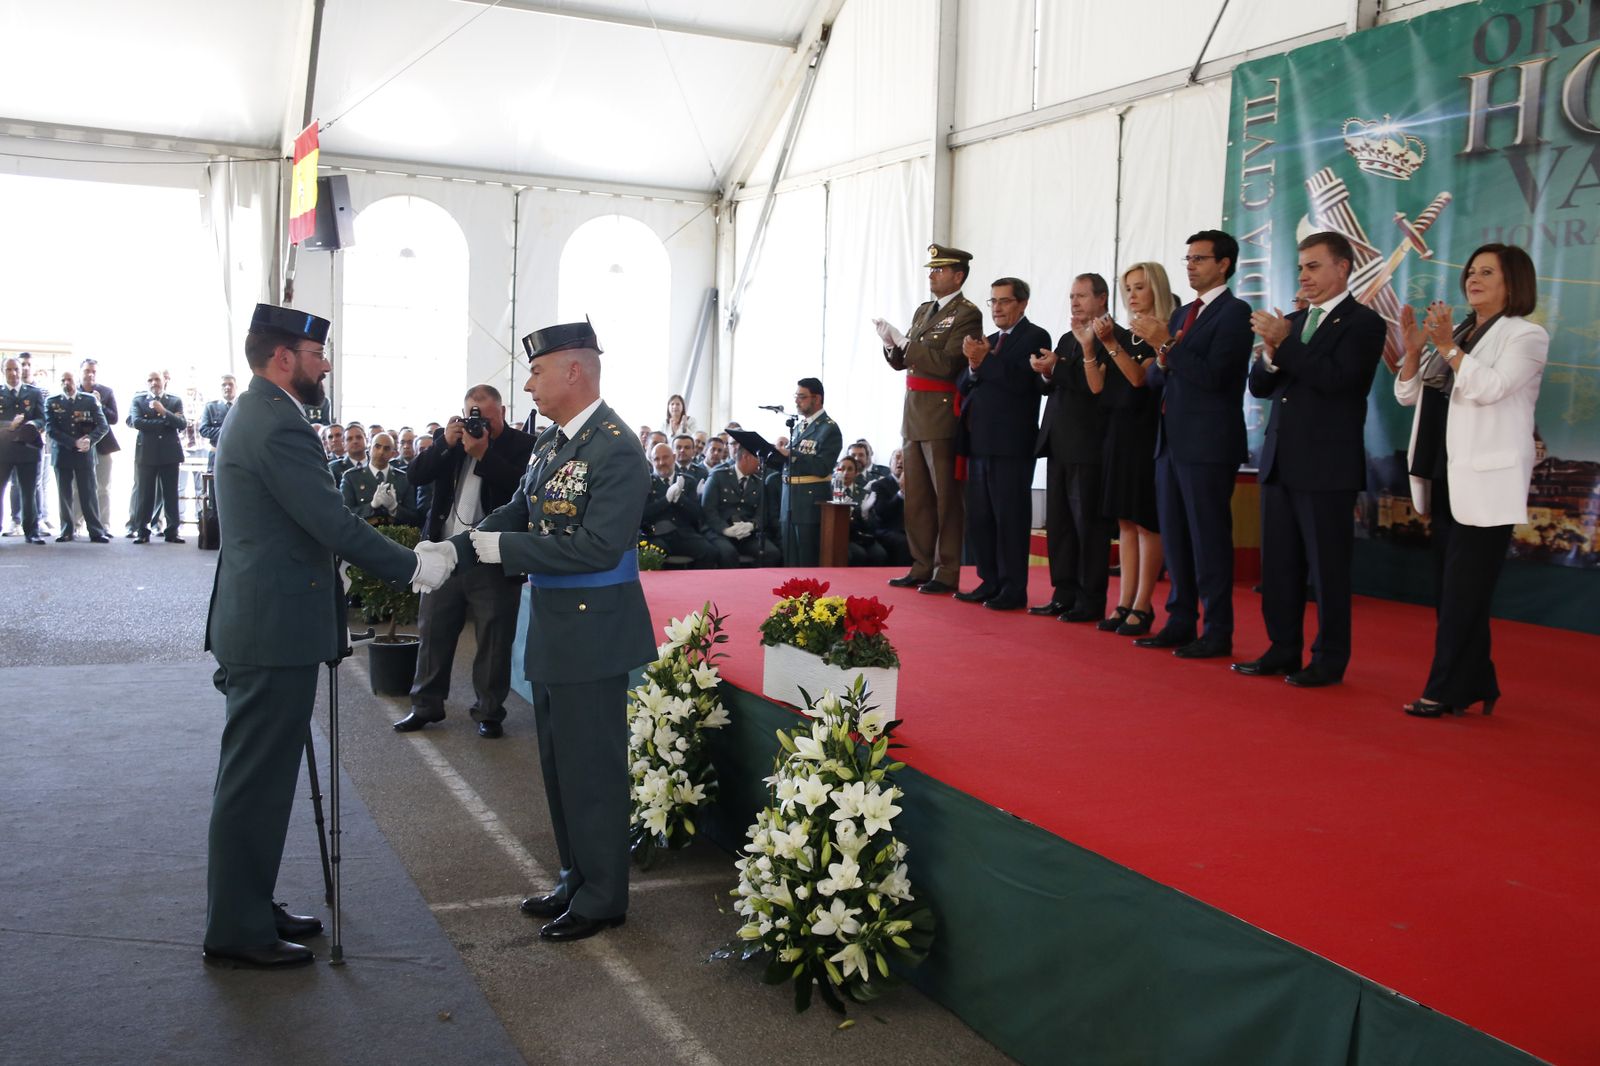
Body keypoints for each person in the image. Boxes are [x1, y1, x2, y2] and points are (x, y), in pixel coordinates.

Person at [202, 303, 450, 970]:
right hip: (271, 628)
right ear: (285, 358)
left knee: (261, 775)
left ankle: (248, 901)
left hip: (265, 621)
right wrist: (414, 565)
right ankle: (235, 925)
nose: (326, 365)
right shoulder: (278, 425)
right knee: (256, 781)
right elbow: (331, 523)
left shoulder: (262, 413)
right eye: (317, 356)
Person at [440, 319, 655, 943]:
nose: (528, 383)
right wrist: (457, 549)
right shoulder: (553, 443)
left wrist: (498, 548)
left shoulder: (615, 447)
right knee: (561, 766)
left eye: (537, 372)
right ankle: (576, 875)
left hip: (593, 630)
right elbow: (520, 510)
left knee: (593, 769)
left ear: (574, 372)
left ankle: (603, 896)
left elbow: (594, 547)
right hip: (557, 624)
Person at [1394, 243, 1549, 717]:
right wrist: (1416, 350)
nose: (1473, 279)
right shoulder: (1458, 331)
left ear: (1513, 283)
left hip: (1486, 482)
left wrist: (1446, 348)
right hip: (1443, 476)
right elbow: (1407, 394)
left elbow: (1490, 388)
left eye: (1487, 272)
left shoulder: (1526, 336)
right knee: (1452, 592)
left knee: (1463, 592)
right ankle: (1479, 680)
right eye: (1471, 271)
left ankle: (1444, 689)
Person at [1234, 232, 1386, 687]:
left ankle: (1329, 658)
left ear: (1342, 268)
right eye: (1301, 267)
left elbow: (1342, 381)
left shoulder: (1364, 323)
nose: (1304, 275)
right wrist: (1272, 355)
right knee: (1279, 567)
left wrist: (1287, 345)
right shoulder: (1294, 320)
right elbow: (1259, 386)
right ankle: (1282, 648)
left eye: (1314, 266)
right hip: (1281, 460)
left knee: (1328, 569)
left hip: (1326, 466)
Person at [1133, 230, 1254, 659]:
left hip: (1208, 443)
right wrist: (1162, 354)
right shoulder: (1185, 313)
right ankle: (1180, 619)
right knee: (1177, 538)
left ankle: (1218, 629)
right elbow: (1157, 377)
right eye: (1187, 258)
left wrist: (1164, 344)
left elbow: (1216, 376)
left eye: (1199, 258)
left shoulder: (1235, 312)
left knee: (1208, 540)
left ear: (1223, 264)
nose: (1190, 266)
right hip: (1171, 440)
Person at [396, 385, 537, 738]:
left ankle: (489, 711)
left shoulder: (524, 446)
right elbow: (415, 476)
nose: (480, 425)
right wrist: (444, 443)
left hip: (492, 557)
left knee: (494, 637)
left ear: (501, 412)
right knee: (433, 632)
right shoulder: (451, 443)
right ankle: (425, 705)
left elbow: (522, 493)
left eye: (487, 418)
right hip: (445, 552)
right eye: (473, 417)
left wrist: (486, 454)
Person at [877, 244, 984, 594]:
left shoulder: (966, 314)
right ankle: (921, 563)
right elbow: (904, 362)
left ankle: (947, 569)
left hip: (940, 411)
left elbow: (947, 364)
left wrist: (908, 344)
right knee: (919, 497)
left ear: (959, 275)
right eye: (931, 269)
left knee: (945, 498)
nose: (932, 274)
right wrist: (892, 345)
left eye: (940, 269)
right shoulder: (925, 311)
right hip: (914, 410)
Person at [1087, 263, 1172, 637]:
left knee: (1144, 519)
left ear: (1156, 288)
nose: (1133, 295)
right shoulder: (1123, 334)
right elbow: (1098, 387)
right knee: (1123, 520)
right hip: (1117, 431)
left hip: (1147, 430)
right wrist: (1094, 347)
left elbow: (1140, 379)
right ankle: (1124, 600)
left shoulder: (1162, 332)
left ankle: (1143, 603)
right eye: (1129, 288)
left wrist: (1108, 345)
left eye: (1140, 287)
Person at [955, 277, 1049, 610]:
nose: (997, 307)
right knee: (981, 517)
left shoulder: (1035, 336)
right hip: (980, 441)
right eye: (992, 301)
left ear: (1022, 304)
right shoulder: (988, 341)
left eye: (1004, 301)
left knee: (1010, 517)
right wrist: (973, 363)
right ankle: (989, 580)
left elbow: (1023, 382)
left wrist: (985, 360)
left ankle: (1013, 587)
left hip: (1012, 443)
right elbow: (966, 384)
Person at [1030, 274, 1113, 621]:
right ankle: (1063, 592)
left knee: (1088, 526)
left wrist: (1057, 369)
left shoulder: (1111, 338)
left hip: (1089, 445)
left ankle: (1090, 598)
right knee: (1060, 525)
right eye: (1071, 296)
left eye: (1081, 296)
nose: (1075, 302)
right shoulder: (1066, 337)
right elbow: (1055, 384)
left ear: (1102, 299)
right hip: (1059, 441)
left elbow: (1094, 386)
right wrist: (1046, 373)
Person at [777, 377, 842, 567]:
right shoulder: (798, 427)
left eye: (802, 397)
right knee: (789, 560)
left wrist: (792, 454)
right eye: (796, 396)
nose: (797, 401)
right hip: (789, 500)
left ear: (817, 398)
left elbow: (822, 467)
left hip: (809, 502)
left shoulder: (829, 429)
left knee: (806, 560)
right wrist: (778, 452)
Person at [45, 369, 111, 542]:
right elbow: (51, 429)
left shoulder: (89, 400)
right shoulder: (52, 402)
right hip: (63, 454)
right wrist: (73, 442)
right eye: (63, 380)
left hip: (85, 454)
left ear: (76, 381)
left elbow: (103, 426)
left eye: (70, 380)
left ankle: (96, 531)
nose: (67, 383)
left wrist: (89, 440)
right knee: (64, 494)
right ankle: (67, 530)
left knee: (88, 493)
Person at [128, 369, 187, 544]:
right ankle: (142, 531)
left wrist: (164, 412)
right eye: (150, 380)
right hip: (147, 453)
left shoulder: (174, 400)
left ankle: (172, 531)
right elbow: (137, 422)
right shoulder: (138, 400)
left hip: (170, 453)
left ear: (164, 381)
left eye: (157, 379)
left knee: (170, 494)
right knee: (145, 494)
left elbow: (181, 424)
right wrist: (166, 422)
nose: (154, 383)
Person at [701, 443, 781, 566]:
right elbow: (708, 510)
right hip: (720, 531)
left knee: (771, 553)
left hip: (746, 534)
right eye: (758, 458)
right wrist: (725, 529)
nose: (761, 463)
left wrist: (751, 525)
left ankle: (755, 583)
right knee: (728, 553)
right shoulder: (718, 476)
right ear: (746, 457)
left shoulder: (759, 482)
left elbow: (762, 513)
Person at [642, 441, 715, 567]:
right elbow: (643, 515)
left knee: (709, 551)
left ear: (674, 457)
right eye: (656, 459)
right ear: (651, 461)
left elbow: (697, 515)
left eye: (665, 457)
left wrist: (680, 499)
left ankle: (699, 585)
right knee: (654, 554)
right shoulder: (646, 483)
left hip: (684, 535)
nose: (661, 463)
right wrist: (666, 500)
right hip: (656, 535)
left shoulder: (688, 481)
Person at [0, 356, 49, 544]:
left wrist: (32, 424)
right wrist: (8, 424)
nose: (13, 373)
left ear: (22, 371)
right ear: (3, 371)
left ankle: (32, 532)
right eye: (9, 369)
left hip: (28, 448)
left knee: (29, 492)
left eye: (16, 369)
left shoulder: (34, 393)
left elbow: (43, 419)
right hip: (3, 450)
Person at [76, 358, 120, 535]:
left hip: (103, 445)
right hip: (79, 445)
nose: (90, 374)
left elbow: (114, 418)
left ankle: (103, 525)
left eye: (93, 371)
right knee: (76, 487)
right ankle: (75, 524)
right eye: (87, 371)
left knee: (103, 486)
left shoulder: (106, 392)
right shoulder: (74, 392)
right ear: (81, 372)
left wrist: (99, 404)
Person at [341, 431, 419, 526]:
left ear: (393, 453)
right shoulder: (351, 477)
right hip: (362, 536)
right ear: (369, 449)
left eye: (386, 449)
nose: (381, 452)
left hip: (395, 536)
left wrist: (394, 508)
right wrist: (371, 506)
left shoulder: (403, 478)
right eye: (377, 446)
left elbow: (414, 518)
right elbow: (344, 514)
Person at [199, 375, 236, 468]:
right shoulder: (210, 407)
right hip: (217, 455)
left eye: (230, 384)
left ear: (236, 387)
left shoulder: (244, 407)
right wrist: (228, 432)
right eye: (224, 385)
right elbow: (203, 430)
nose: (227, 387)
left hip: (238, 456)